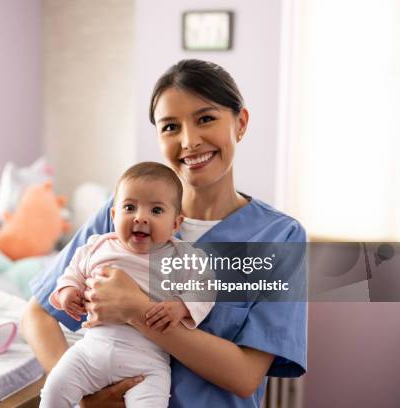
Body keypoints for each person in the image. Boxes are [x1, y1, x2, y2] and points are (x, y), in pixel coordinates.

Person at [22, 59, 307, 408]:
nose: (189, 141)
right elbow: (36, 315)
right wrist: (83, 395)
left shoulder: (278, 237)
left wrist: (137, 310)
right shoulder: (124, 214)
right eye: (170, 127)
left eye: (205, 119)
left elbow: (245, 376)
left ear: (241, 123)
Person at [39, 162, 214, 408]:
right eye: (129, 207)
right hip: (91, 350)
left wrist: (182, 306)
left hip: (147, 362)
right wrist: (68, 292)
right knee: (53, 390)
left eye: (156, 210)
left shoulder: (181, 256)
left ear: (176, 223)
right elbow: (72, 273)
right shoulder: (98, 246)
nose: (140, 217)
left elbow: (205, 287)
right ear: (114, 215)